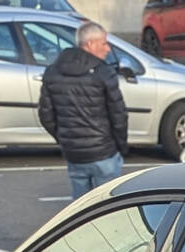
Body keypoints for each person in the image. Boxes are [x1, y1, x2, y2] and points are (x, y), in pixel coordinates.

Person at [38, 22, 128, 199]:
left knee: (79, 208)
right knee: (108, 206)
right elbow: (118, 115)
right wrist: (121, 146)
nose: (108, 49)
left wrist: (64, 138)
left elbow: (46, 115)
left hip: (74, 153)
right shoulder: (103, 72)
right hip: (104, 152)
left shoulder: (53, 71)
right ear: (90, 44)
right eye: (104, 43)